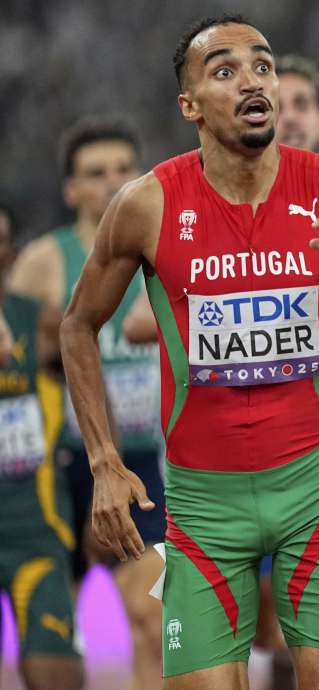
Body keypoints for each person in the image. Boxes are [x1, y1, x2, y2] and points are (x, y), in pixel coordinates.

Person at [57, 14, 319, 688]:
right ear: (189, 104)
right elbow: (79, 324)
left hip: (313, 488)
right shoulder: (147, 205)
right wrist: (103, 458)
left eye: (263, 66)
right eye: (225, 70)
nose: (252, 81)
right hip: (201, 502)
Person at [7, 116, 166, 689]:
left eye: (124, 169)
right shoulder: (45, 263)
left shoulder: (166, 252)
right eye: (95, 174)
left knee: (155, 612)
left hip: (145, 461)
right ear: (71, 190)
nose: (112, 182)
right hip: (64, 467)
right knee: (56, 627)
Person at [0, 203, 84, 690]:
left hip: (36, 531)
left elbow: (91, 384)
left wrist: (105, 465)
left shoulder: (41, 324)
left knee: (54, 674)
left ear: (9, 255)